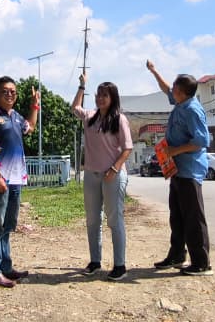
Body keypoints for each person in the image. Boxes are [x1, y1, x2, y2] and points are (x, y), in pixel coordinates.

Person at [145, 59, 213, 276]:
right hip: (177, 171)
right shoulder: (180, 102)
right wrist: (154, 71)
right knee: (177, 216)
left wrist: (174, 151)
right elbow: (165, 88)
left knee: (193, 217)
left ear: (183, 92)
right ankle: (177, 255)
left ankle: (201, 262)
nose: (171, 90)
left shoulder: (193, 110)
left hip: (189, 171)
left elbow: (202, 141)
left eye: (175, 88)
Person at [71, 71, 133, 280]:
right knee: (92, 220)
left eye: (104, 95)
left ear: (112, 98)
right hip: (91, 175)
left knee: (114, 220)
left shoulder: (119, 119)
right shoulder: (90, 117)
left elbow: (127, 148)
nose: (99, 98)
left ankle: (120, 265)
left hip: (113, 176)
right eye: (98, 94)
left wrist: (114, 169)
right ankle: (95, 261)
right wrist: (82, 86)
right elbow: (75, 108)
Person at [0, 76, 39, 288]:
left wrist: (35, 105)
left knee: (8, 224)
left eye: (13, 91)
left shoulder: (15, 117)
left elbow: (30, 127)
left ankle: (5, 266)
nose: (10, 94)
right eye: (5, 91)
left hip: (16, 179)